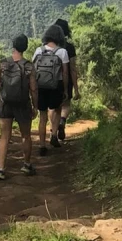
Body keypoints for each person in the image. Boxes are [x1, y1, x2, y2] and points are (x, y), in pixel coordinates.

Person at [0, 34, 38, 180]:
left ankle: (1, 170)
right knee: (26, 136)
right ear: (25, 47)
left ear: (13, 46)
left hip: (4, 103)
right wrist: (35, 106)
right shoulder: (29, 66)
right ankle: (27, 165)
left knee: (4, 137)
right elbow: (33, 89)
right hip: (22, 104)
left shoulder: (3, 64)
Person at [32, 24, 70, 155]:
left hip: (41, 86)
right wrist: (65, 90)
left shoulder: (38, 50)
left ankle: (42, 146)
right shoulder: (62, 52)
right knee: (57, 109)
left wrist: (32, 88)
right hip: (56, 86)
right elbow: (65, 73)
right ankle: (54, 134)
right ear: (59, 36)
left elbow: (32, 70)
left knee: (43, 116)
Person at [55, 18, 80, 141]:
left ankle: (52, 133)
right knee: (66, 105)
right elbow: (73, 69)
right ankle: (62, 121)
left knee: (53, 108)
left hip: (51, 81)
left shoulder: (49, 47)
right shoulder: (69, 47)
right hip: (67, 81)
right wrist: (76, 89)